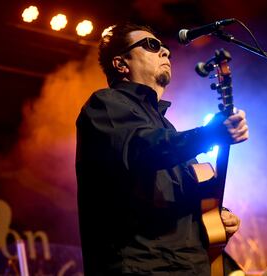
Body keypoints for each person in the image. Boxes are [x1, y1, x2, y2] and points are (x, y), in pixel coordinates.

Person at [75, 22, 249, 275]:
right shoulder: (105, 104)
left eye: (165, 47)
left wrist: (220, 217)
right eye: (152, 46)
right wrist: (210, 134)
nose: (165, 52)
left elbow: (190, 201)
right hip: (141, 266)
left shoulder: (166, 128)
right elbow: (143, 150)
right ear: (121, 64)